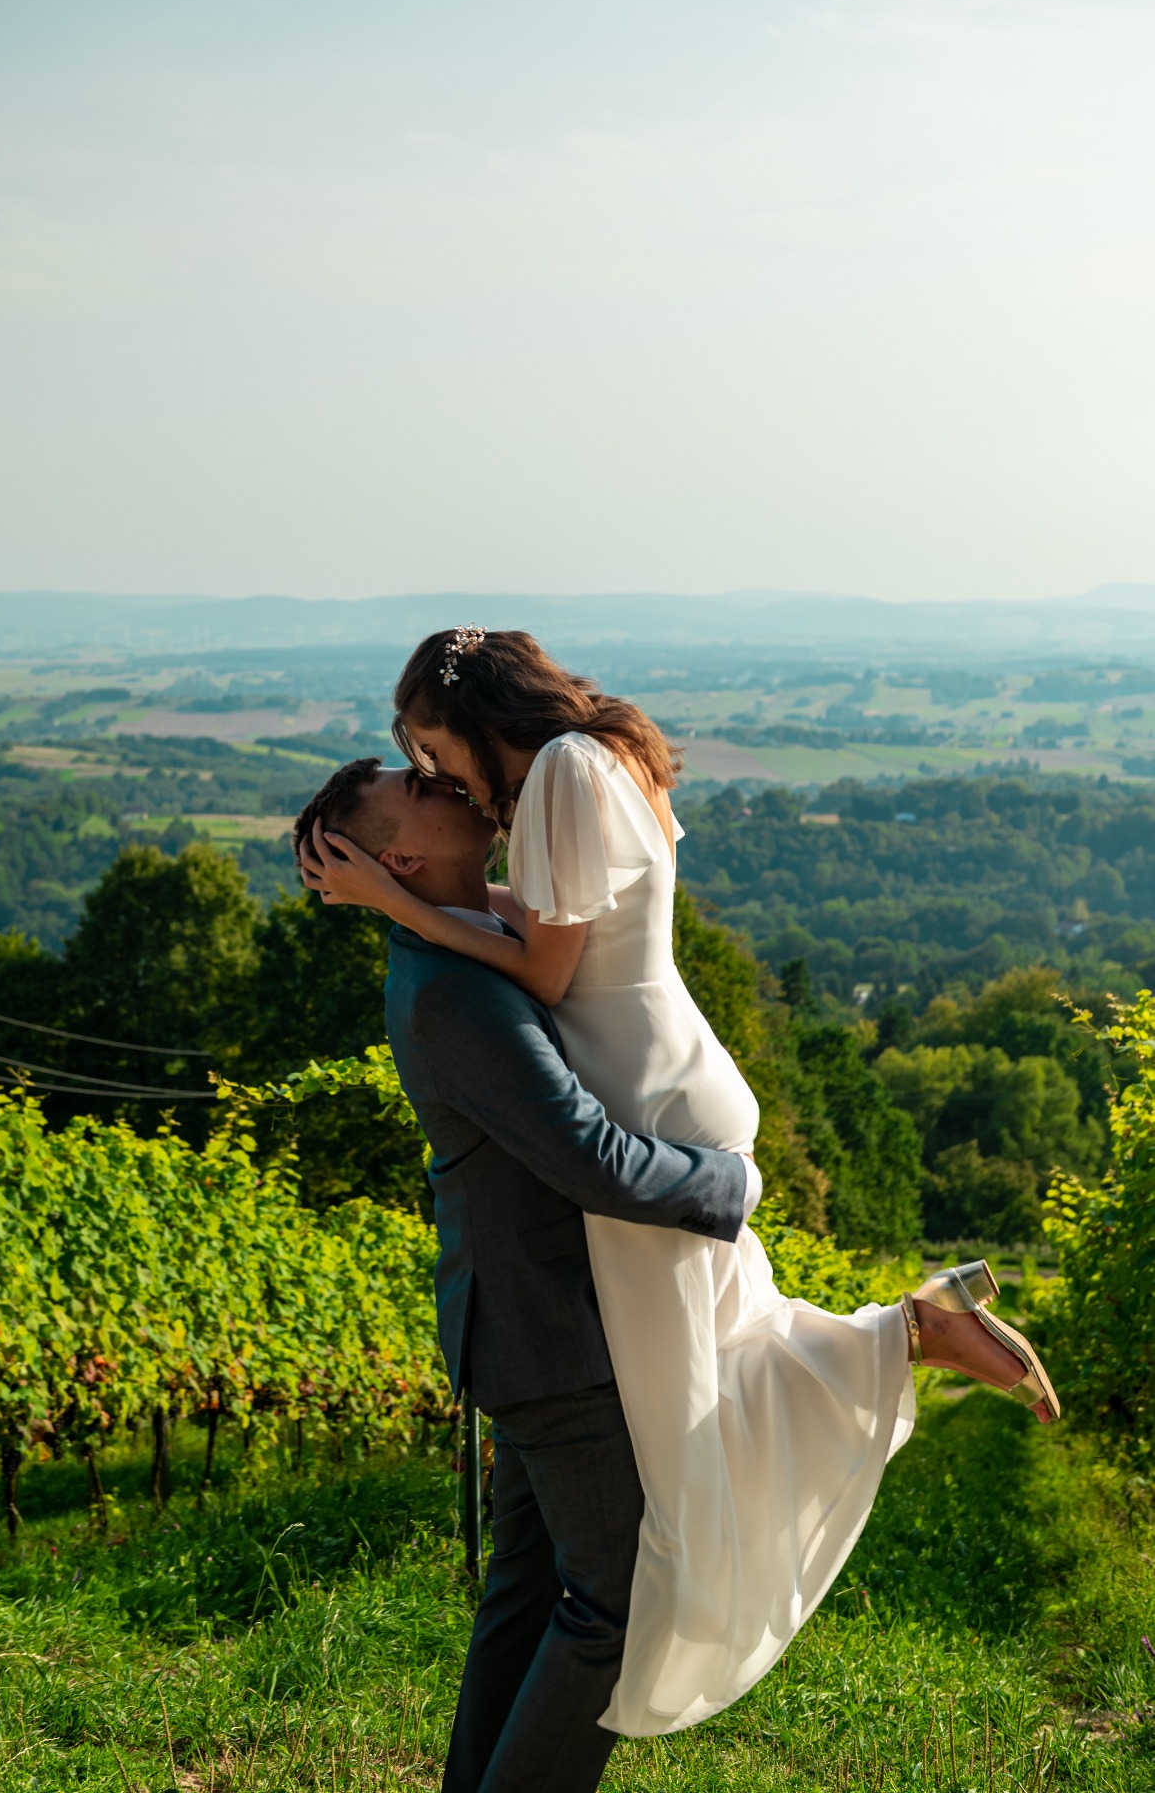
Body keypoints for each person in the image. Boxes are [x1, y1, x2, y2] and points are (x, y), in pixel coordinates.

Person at [299, 628, 1060, 1767]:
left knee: (696, 1416)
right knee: (688, 1406)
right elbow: (537, 929)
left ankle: (906, 1335)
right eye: (414, 777)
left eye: (424, 750)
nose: (433, 772)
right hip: (649, 1106)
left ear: (463, 714)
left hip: (649, 1120)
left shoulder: (546, 787)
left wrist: (397, 907)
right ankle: (909, 1332)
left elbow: (548, 971)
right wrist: (402, 903)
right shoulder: (586, 760)